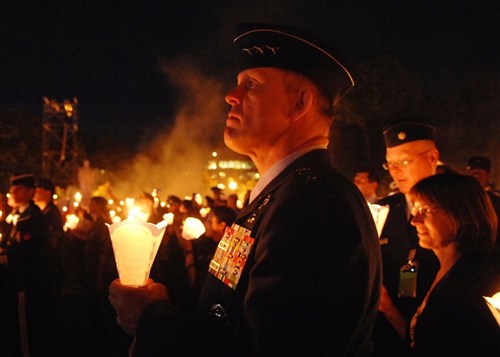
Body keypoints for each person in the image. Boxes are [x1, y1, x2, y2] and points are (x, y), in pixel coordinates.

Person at [109, 23, 381, 356]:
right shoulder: (283, 195)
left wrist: (152, 318)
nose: (230, 96)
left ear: (300, 103)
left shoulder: (314, 204)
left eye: (251, 84)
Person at [402, 174, 499, 356]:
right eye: (415, 210)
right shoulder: (439, 271)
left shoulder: (474, 284)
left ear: (461, 213)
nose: (415, 221)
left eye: (426, 210)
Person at [373, 120, 440, 357]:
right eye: (390, 164)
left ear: (432, 157)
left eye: (404, 161)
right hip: (383, 336)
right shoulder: (381, 210)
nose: (395, 171)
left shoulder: (457, 210)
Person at [0, 173, 51, 355]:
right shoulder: (13, 215)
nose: (12, 193)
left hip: (27, 281)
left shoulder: (34, 216)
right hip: (11, 279)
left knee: (27, 325)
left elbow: (34, 246)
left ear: (30, 192)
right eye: (12, 189)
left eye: (18, 189)